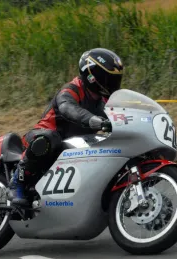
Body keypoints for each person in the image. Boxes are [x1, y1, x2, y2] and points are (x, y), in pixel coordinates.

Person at [9, 48, 124, 207]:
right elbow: (67, 108)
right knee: (48, 139)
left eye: (115, 80)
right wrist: (93, 120)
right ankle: (17, 182)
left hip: (73, 146)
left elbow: (119, 115)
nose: (112, 84)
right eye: (108, 78)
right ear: (92, 76)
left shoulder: (104, 100)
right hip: (43, 138)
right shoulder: (71, 89)